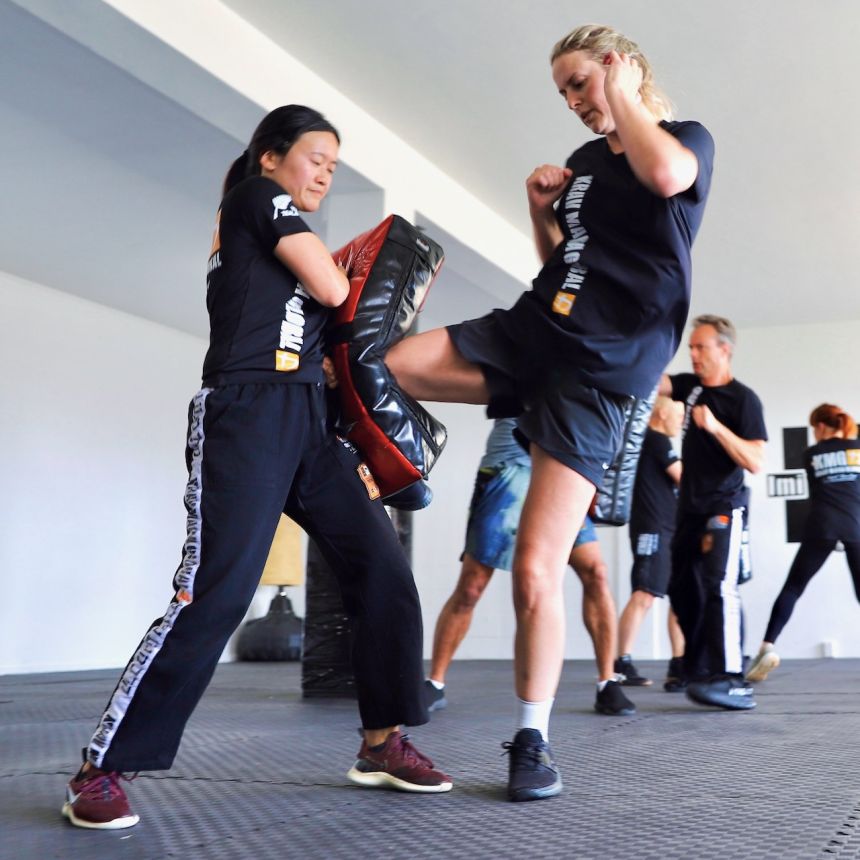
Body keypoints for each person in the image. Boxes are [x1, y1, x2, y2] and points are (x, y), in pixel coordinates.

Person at [62, 105, 452, 831]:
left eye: (334, 165)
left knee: (381, 564)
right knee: (215, 592)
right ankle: (102, 766)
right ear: (272, 156)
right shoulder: (254, 196)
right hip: (245, 413)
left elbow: (322, 314)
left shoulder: (285, 229)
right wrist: (349, 277)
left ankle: (382, 742)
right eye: (316, 157)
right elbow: (336, 293)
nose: (326, 173)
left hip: (306, 420)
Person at [385, 24, 714, 801]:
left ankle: (531, 737)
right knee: (389, 365)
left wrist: (623, 96)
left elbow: (665, 175)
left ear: (619, 66)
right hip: (536, 328)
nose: (572, 103)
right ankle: (398, 470)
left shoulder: (680, 141)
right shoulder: (585, 165)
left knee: (535, 570)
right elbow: (565, 262)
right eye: (562, 92)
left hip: (599, 372)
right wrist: (540, 208)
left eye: (580, 83)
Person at [424, 418, 635, 718]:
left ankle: (608, 682)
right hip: (509, 461)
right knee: (471, 586)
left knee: (596, 573)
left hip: (564, 461)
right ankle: (434, 681)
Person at [660, 315, 767, 711]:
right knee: (681, 588)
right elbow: (653, 380)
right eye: (691, 348)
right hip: (688, 507)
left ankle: (733, 679)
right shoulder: (689, 387)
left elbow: (755, 459)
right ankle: (701, 667)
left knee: (720, 585)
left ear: (725, 350)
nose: (694, 355)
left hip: (726, 505)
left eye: (701, 347)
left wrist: (716, 427)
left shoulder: (743, 399)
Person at [746, 404, 860, 682]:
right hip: (855, 524)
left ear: (821, 426)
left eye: (813, 428)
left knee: (794, 587)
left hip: (821, 526)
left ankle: (766, 648)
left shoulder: (812, 454)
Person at [614, 397, 686, 689]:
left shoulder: (654, 441)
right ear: (661, 414)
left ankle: (679, 665)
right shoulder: (655, 440)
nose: (680, 422)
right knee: (645, 594)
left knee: (678, 599)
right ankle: (619, 663)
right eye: (678, 415)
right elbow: (684, 478)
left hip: (668, 530)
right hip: (653, 530)